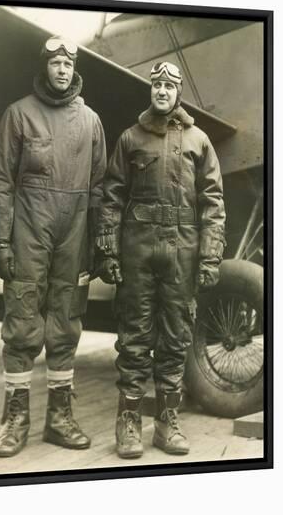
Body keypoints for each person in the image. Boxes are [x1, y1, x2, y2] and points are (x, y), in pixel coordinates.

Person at [95, 61, 225, 458]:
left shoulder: (199, 141)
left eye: (169, 86)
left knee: (175, 338)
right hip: (138, 250)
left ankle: (167, 422)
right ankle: (129, 421)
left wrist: (210, 257)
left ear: (179, 91)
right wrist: (108, 250)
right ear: (150, 91)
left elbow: (213, 203)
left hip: (182, 252)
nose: (163, 92)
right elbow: (112, 195)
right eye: (157, 86)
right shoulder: (131, 138)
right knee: (134, 339)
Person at [0, 36, 106, 457]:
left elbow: (98, 188)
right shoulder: (18, 115)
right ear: (45, 67)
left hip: (74, 236)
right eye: (54, 63)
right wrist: (1, 239)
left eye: (67, 64)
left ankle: (60, 418)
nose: (61, 70)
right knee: (21, 322)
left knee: (67, 321)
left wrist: (98, 242)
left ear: (75, 70)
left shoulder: (91, 121)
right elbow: (0, 182)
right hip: (28, 234)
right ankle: (15, 419)